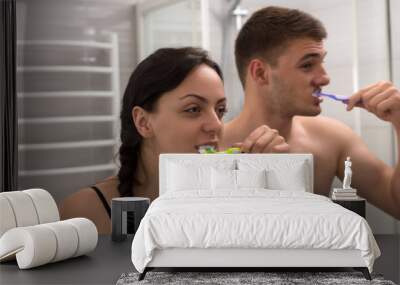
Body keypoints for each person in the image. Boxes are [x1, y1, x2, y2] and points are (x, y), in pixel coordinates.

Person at [60, 47, 286, 234]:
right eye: (193, 109)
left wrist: (271, 185)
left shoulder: (229, 200)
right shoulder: (86, 211)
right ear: (143, 122)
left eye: (220, 110)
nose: (216, 124)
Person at [222, 6, 400, 219]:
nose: (325, 78)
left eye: (321, 63)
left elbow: (396, 203)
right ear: (260, 73)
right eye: (307, 65)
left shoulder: (331, 138)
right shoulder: (216, 149)